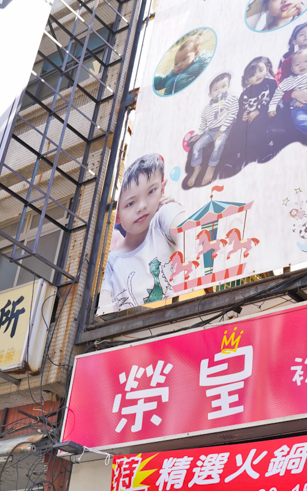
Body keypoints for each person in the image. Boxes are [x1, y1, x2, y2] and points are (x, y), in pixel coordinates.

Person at [100, 154, 183, 313]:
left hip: (179, 318)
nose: (142, 206)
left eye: (151, 191)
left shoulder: (163, 218)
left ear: (163, 189)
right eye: (130, 203)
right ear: (117, 215)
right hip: (136, 333)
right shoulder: (112, 262)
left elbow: (188, 234)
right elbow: (104, 309)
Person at [222, 57, 277, 172]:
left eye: (260, 70)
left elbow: (274, 100)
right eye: (252, 74)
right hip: (249, 119)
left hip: (266, 114)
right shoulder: (245, 93)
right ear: (247, 80)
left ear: (267, 69)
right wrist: (243, 115)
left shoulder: (271, 84)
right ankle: (236, 155)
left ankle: (264, 149)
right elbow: (241, 108)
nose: (257, 75)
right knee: (237, 128)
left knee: (257, 123)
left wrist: (258, 112)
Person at [187, 73, 238, 187]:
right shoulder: (207, 109)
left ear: (228, 86)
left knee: (219, 143)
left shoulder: (231, 99)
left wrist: (221, 131)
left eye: (223, 86)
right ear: (210, 94)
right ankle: (197, 168)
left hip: (224, 129)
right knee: (196, 146)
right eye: (215, 89)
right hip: (210, 131)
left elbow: (232, 114)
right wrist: (199, 134)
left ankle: (211, 167)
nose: (220, 91)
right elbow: (204, 123)